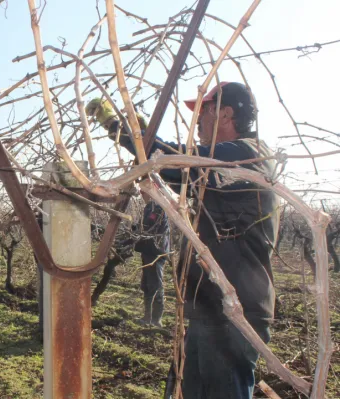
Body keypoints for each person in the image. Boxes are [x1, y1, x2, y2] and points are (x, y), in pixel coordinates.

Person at [104, 82, 279, 399]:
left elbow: (176, 162)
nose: (197, 121)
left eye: (204, 112)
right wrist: (146, 143)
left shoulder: (244, 155)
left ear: (226, 114)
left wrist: (120, 130)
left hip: (231, 311)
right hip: (211, 307)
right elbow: (182, 172)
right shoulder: (225, 164)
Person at [133, 194, 170, 328]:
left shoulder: (158, 207)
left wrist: (135, 234)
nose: (142, 194)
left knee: (155, 285)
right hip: (147, 250)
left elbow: (149, 227)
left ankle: (156, 320)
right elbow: (142, 226)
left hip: (156, 252)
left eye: (143, 190)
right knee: (147, 285)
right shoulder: (149, 207)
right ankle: (147, 317)